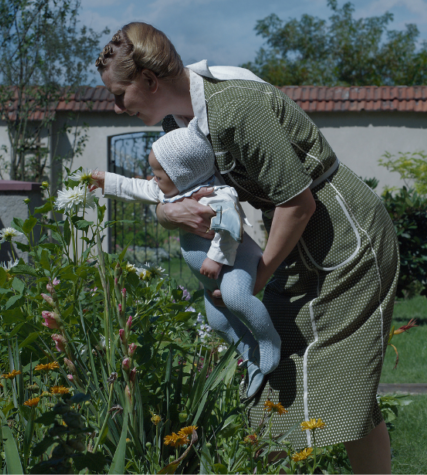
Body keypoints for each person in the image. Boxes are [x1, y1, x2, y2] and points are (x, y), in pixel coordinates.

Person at [91, 22, 400, 474]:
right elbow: (179, 196)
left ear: (149, 81)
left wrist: (258, 277)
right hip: (300, 243)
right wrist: (166, 214)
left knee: (344, 385)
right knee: (274, 373)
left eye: (120, 95)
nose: (118, 108)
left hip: (345, 238)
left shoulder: (235, 108)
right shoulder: (183, 123)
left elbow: (298, 202)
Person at [94, 117, 282, 398]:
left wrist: (215, 259)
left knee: (236, 298)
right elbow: (136, 188)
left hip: (234, 263)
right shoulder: (171, 192)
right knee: (218, 322)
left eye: (159, 175)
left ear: (182, 174)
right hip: (210, 278)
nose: (152, 179)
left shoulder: (218, 195)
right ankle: (249, 354)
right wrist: (105, 181)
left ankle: (269, 340)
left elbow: (231, 228)